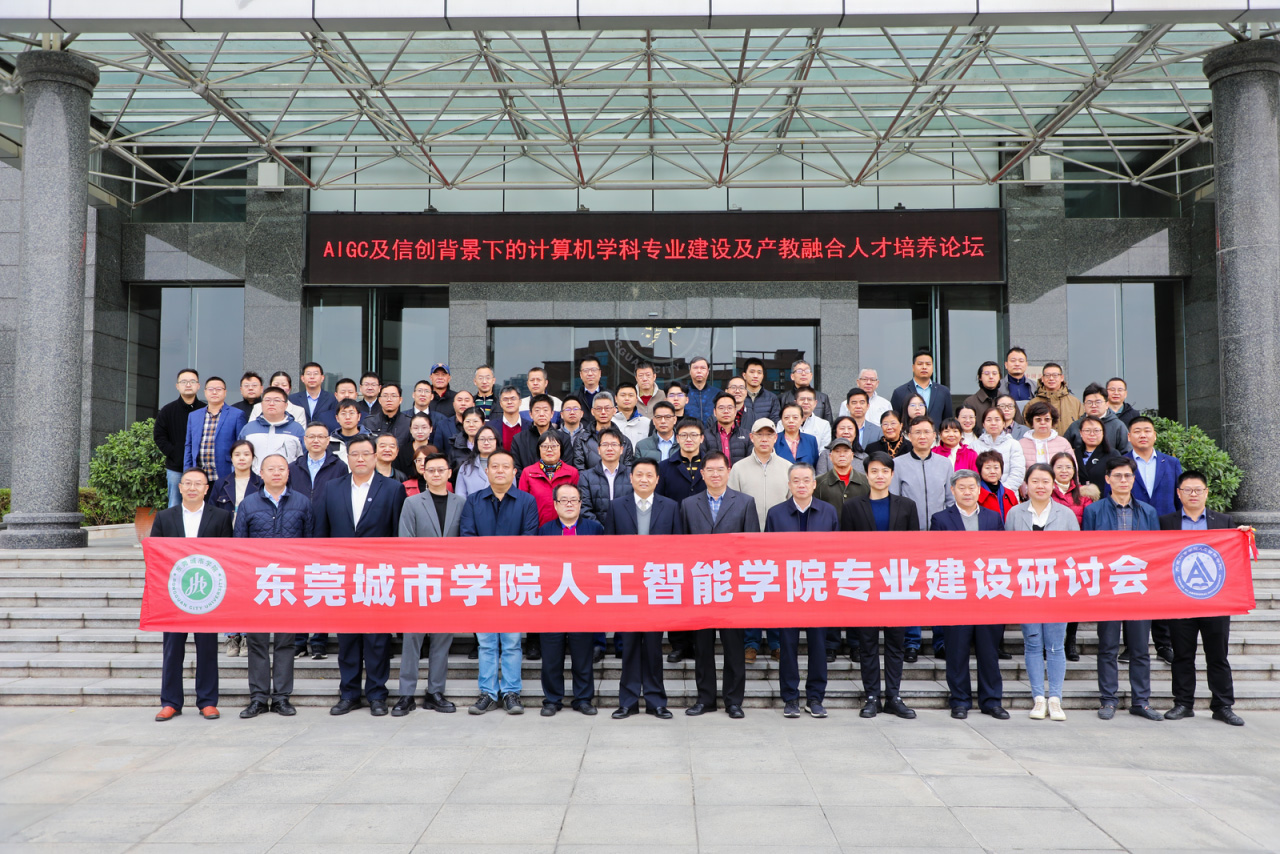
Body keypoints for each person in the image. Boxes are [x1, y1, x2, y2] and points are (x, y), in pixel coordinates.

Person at [313, 436, 405, 717]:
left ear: (375, 457)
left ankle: (377, 695)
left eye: (366, 453)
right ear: (348, 458)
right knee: (347, 639)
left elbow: (397, 536)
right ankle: (349, 694)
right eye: (355, 454)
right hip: (343, 575)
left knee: (377, 639)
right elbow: (321, 532)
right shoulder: (331, 488)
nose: (361, 458)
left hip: (378, 576)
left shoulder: (393, 489)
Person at [1160, 471, 1247, 726]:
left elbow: (1233, 556)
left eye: (1198, 490)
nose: (1193, 494)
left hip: (1215, 600)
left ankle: (1222, 705)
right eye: (1187, 490)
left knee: (1217, 655)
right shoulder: (1166, 522)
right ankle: (1183, 703)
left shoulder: (1224, 521)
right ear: (1179, 494)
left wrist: (1242, 537)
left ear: (1206, 492)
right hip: (1180, 599)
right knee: (1182, 655)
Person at [233, 453, 313, 718]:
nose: (276, 473)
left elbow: (310, 544)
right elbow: (239, 546)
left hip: (289, 583)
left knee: (285, 642)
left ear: (288, 473)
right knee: (256, 642)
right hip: (257, 583)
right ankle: (258, 697)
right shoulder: (248, 504)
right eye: (271, 469)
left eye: (281, 469)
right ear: (261, 473)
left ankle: (281, 697)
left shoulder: (302, 502)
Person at [150, 468, 234, 722]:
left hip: (207, 593)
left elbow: (226, 555)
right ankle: (170, 702)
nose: (192, 488)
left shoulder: (220, 517)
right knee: (172, 650)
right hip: (174, 594)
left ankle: (207, 702)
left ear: (207, 489)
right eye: (188, 483)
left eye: (198, 484)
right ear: (180, 487)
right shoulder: (165, 517)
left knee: (207, 649)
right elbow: (155, 555)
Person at [1083, 457, 1162, 722]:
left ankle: (1141, 701)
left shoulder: (1148, 512)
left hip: (1138, 586)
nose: (1123, 480)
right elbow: (1087, 552)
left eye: (1128, 476)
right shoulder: (1094, 512)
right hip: (1108, 587)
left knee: (1139, 649)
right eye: (1117, 476)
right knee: (1107, 647)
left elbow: (1156, 551)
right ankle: (1108, 700)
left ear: (1134, 479)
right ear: (1107, 479)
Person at [460, 450, 539, 715]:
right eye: (495, 466)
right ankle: (488, 692)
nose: (500, 471)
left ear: (515, 472)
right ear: (487, 471)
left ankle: (511, 692)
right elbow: (468, 538)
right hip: (482, 580)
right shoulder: (473, 501)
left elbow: (529, 540)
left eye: (506, 466)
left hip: (513, 580)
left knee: (512, 641)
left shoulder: (526, 501)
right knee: (486, 642)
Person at [840, 452, 918, 720]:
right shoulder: (852, 507)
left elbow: (914, 548)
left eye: (885, 471)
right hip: (866, 584)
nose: (880, 476)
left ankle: (894, 696)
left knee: (896, 643)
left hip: (896, 582)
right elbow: (846, 549)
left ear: (892, 475)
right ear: (867, 475)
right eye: (874, 471)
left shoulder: (907, 506)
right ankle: (872, 696)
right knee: (868, 644)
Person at [681, 452, 758, 719]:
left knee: (734, 648)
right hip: (701, 584)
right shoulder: (688, 505)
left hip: (731, 586)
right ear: (701, 474)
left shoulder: (745, 502)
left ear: (728, 472)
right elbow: (681, 546)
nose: (715, 474)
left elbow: (751, 546)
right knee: (702, 648)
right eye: (710, 470)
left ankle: (733, 701)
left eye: (720, 469)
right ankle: (705, 699)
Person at [930, 469, 1008, 721]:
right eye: (961, 488)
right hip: (956, 595)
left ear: (979, 490)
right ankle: (960, 701)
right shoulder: (941, 519)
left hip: (987, 594)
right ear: (953, 490)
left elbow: (1002, 554)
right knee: (956, 653)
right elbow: (935, 556)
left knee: (989, 653)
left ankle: (991, 701)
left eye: (971, 487)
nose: (967, 492)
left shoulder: (993, 518)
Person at [607, 458, 680, 718]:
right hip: (627, 588)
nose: (644, 479)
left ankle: (656, 701)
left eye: (649, 475)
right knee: (628, 647)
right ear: (631, 478)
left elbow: (677, 548)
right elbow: (608, 548)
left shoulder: (670, 507)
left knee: (653, 647)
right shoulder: (616, 506)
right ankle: (627, 702)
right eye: (639, 474)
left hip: (657, 586)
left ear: (657, 479)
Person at [1006, 463, 1079, 721]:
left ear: (1053, 484)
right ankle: (1038, 698)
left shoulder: (1066, 515)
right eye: (1035, 481)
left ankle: (1055, 699)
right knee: (1033, 643)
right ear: (1026, 485)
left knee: (1056, 645)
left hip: (1057, 589)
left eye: (1045, 481)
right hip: (1027, 588)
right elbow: (1008, 552)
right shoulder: (1014, 513)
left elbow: (1076, 553)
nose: (1040, 486)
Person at [764, 463, 837, 719]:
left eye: (806, 480)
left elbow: (836, 552)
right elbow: (768, 553)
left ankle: (815, 698)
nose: (802, 484)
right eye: (796, 480)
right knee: (787, 646)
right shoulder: (775, 514)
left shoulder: (828, 512)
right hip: (788, 590)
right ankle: (790, 698)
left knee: (818, 646)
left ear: (814, 484)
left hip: (818, 589)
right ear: (789, 484)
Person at [395, 451, 463, 715]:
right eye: (431, 470)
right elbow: (405, 543)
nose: (436, 474)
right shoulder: (412, 503)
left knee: (442, 640)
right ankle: (406, 694)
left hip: (449, 582)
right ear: (423, 472)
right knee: (412, 639)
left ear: (449, 473)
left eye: (441, 470)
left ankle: (435, 691)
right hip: (419, 580)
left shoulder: (461, 503)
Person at [537, 483, 604, 716]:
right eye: (563, 500)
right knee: (551, 656)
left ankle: (583, 699)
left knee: (582, 655)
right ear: (555, 505)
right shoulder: (545, 531)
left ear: (580, 504)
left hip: (582, 602)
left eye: (573, 500)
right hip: (553, 602)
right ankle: (552, 700)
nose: (569, 504)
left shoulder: (594, 529)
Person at [728, 418, 791, 661]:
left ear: (776, 438)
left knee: (776, 593)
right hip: (748, 541)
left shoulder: (787, 467)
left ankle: (776, 642)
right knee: (750, 591)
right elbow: (732, 503)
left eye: (769, 434)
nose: (764, 439)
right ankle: (751, 643)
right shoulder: (739, 468)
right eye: (760, 434)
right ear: (751, 437)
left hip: (778, 541)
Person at [183, 376, 247, 485]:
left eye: (218, 389)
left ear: (225, 392)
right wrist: (187, 472)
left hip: (225, 474)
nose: (214, 392)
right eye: (210, 389)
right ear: (205, 392)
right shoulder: (194, 416)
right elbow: (189, 445)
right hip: (199, 476)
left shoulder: (237, 415)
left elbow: (241, 446)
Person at [155, 368, 204, 507]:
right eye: (184, 382)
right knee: (175, 504)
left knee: (201, 504)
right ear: (177, 386)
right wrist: (175, 453)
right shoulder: (167, 411)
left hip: (201, 467)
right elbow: (159, 436)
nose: (188, 385)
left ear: (198, 385)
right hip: (175, 468)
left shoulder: (205, 410)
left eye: (192, 381)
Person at [519, 430, 580, 525]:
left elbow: (577, 503)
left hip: (564, 527)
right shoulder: (527, 472)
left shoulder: (572, 473)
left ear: (561, 449)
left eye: (554, 446)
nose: (549, 450)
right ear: (538, 449)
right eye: (544, 446)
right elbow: (522, 504)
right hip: (535, 527)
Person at [238, 386, 305, 473]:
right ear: (261, 404)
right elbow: (239, 457)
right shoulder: (249, 429)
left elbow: (304, 459)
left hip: (288, 479)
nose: (271, 403)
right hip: (255, 479)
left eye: (277, 400)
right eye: (267, 400)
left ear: (286, 405)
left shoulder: (296, 429)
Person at [577, 427, 631, 523]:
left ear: (621, 449)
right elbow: (584, 509)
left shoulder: (632, 475)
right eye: (605, 444)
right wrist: (601, 529)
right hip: (597, 530)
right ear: (599, 449)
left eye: (614, 444)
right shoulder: (586, 477)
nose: (609, 448)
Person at [288, 421, 348, 503]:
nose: (316, 441)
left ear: (328, 440)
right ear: (305, 440)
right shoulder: (293, 468)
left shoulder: (339, 466)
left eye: (320, 437)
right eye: (311, 437)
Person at [889, 349, 953, 427]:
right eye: (920, 364)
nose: (924, 367)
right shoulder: (899, 392)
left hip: (935, 434)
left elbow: (947, 420)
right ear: (913, 367)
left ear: (933, 367)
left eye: (928, 364)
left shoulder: (943, 392)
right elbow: (895, 421)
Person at [574, 391, 636, 471]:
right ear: (592, 411)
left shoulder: (624, 441)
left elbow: (628, 471)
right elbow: (580, 470)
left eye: (607, 408)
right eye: (599, 409)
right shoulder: (582, 440)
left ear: (614, 411)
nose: (603, 412)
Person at [511, 394, 571, 475]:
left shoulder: (563, 438)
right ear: (530, 414)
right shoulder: (518, 439)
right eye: (537, 410)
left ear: (552, 414)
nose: (541, 414)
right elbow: (516, 469)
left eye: (545, 410)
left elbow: (567, 468)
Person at [1065, 383, 1131, 454]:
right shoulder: (1075, 425)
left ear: (1107, 404)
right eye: (1089, 402)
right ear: (1084, 405)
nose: (1093, 406)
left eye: (1098, 402)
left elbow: (1127, 453)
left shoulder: (1118, 426)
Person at [656, 418, 707, 507]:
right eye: (683, 435)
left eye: (694, 435)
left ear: (701, 438)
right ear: (677, 438)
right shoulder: (663, 467)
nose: (688, 439)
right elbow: (658, 499)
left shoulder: (711, 466)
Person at [814, 437, 870, 517]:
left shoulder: (866, 481)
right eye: (837, 451)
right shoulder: (819, 482)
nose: (842, 455)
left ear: (852, 455)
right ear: (830, 456)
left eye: (846, 451)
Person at [974, 405, 1026, 491]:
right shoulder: (974, 446)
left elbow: (1018, 472)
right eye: (989, 420)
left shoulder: (1013, 444)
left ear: (1004, 423)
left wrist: (1002, 491)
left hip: (1008, 494)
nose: (993, 423)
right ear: (983, 424)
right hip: (981, 494)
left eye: (997, 419)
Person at [1073, 414, 1122, 496]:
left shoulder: (1113, 454)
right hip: (1078, 499)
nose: (1092, 434)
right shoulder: (1074, 454)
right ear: (1080, 432)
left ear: (1103, 433)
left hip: (1104, 499)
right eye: (1087, 430)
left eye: (1096, 430)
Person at [1028, 363, 1082, 434]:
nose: (1051, 378)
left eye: (1055, 375)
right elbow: (1027, 428)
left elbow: (1082, 426)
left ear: (1062, 378)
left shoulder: (1075, 403)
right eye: (1047, 375)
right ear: (1042, 379)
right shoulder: (1032, 403)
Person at [1019, 400, 1073, 470]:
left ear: (1052, 421)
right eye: (1038, 419)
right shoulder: (1021, 444)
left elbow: (1072, 468)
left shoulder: (1063, 443)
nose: (1042, 422)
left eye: (1047, 419)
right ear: (1032, 422)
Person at [779, 359, 833, 425]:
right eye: (799, 371)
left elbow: (829, 424)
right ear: (792, 376)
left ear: (811, 376)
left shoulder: (823, 398)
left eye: (807, 371)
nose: (803, 374)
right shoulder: (782, 398)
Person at [291, 361, 338, 430]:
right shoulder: (293, 399)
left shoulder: (331, 398)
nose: (312, 377)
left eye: (316, 374)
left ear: (322, 378)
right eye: (308, 374)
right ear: (302, 378)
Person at [363, 383, 411, 450]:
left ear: (400, 400)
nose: (389, 399)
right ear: (379, 400)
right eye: (385, 396)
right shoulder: (369, 422)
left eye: (393, 396)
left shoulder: (409, 423)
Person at [707, 392, 751, 464]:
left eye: (730, 408)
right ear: (714, 412)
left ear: (735, 411)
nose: (726, 411)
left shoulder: (747, 436)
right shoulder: (705, 436)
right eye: (721, 408)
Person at [455, 425, 499, 498]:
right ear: (476, 442)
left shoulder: (506, 465)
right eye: (482, 439)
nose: (486, 442)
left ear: (497, 441)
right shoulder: (466, 467)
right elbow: (460, 496)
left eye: (490, 439)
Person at [975, 449, 1019, 521]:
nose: (992, 471)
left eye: (996, 468)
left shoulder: (1009, 494)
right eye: (987, 468)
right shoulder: (976, 494)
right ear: (980, 470)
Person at [486, 385, 531, 453]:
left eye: (513, 398)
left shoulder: (530, 427)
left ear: (520, 402)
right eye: (505, 399)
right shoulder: (490, 426)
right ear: (500, 404)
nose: (509, 402)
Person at [328, 400, 370, 464]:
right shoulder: (329, 442)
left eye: (351, 413)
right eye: (343, 414)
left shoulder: (370, 439)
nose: (347, 417)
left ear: (359, 416)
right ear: (337, 418)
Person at [741, 357, 781, 424]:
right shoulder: (739, 396)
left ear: (763, 376)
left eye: (759, 373)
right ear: (744, 375)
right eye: (752, 372)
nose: (755, 376)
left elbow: (776, 422)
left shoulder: (772, 398)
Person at [612, 382, 651, 447]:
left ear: (636, 399)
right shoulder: (610, 421)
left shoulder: (646, 423)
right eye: (623, 395)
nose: (627, 398)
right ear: (616, 398)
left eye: (631, 395)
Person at [685, 356, 721, 424]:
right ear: (690, 371)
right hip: (689, 430)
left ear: (707, 372)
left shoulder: (717, 394)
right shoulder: (683, 393)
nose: (699, 371)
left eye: (703, 368)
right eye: (695, 368)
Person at [449, 408, 486, 472]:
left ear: (483, 424)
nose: (471, 425)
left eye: (475, 421)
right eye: (467, 421)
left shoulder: (490, 444)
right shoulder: (456, 445)